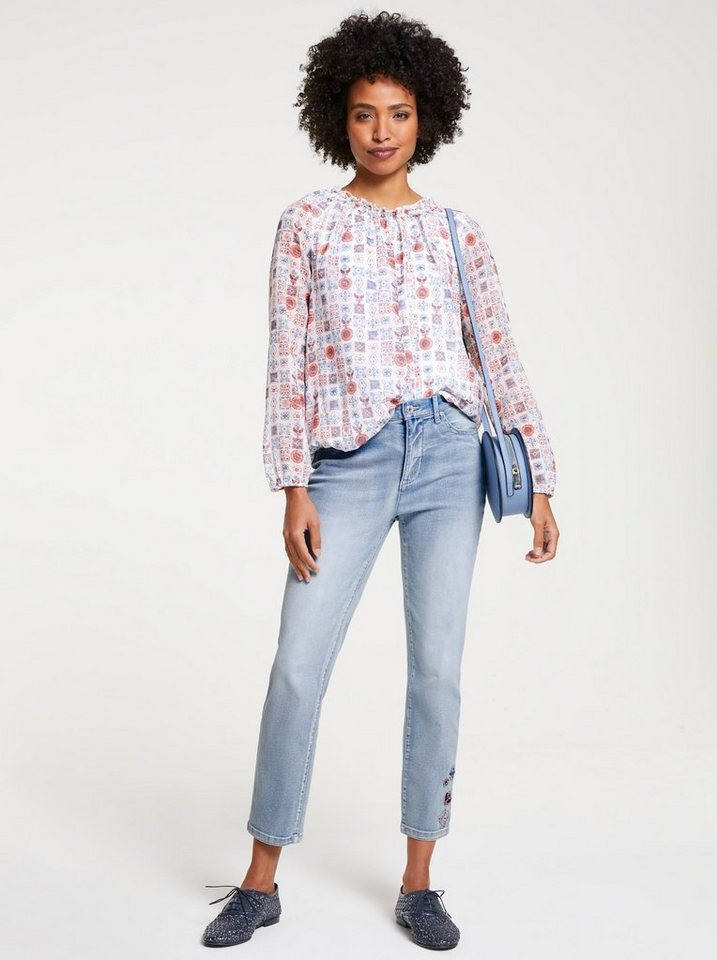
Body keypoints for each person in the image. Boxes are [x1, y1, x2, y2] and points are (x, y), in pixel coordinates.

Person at [201, 10, 560, 951]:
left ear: (425, 117)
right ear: (339, 118)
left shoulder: (456, 232)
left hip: (449, 455)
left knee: (436, 671)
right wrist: (293, 484)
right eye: (364, 113)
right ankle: (260, 879)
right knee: (296, 667)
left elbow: (499, 355)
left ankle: (419, 882)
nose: (381, 130)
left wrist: (540, 478)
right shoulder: (307, 224)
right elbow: (288, 361)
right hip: (346, 462)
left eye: (398, 112)